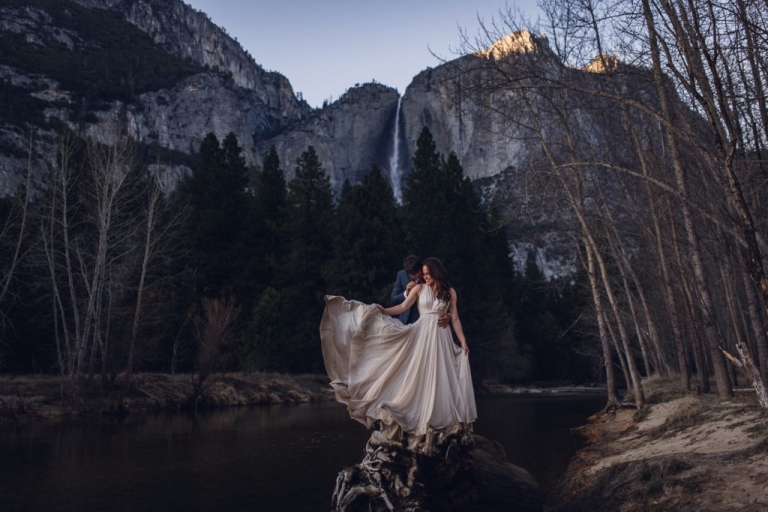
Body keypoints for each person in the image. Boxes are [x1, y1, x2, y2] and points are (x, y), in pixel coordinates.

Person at [320, 257, 476, 440]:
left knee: (441, 375)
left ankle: (440, 419)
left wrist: (462, 341)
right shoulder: (419, 289)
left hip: (442, 336)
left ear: (436, 273)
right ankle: (417, 416)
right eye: (423, 274)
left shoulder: (450, 293)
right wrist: (384, 311)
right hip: (423, 334)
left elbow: (455, 318)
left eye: (427, 274)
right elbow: (403, 306)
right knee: (420, 374)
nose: (424, 277)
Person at [391, 255, 451, 328]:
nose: (418, 279)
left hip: (425, 324)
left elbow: (444, 296)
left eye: (420, 275)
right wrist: (406, 293)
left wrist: (448, 315)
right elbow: (394, 299)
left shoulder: (429, 274)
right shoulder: (401, 275)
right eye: (414, 277)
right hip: (404, 322)